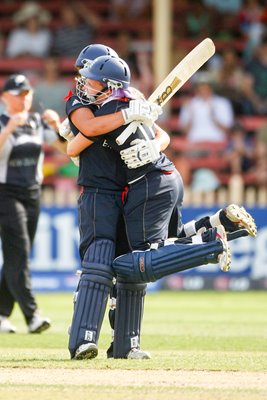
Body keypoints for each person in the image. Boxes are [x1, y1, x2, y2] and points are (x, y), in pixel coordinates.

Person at [65, 55, 257, 360]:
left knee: (132, 263)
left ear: (110, 85)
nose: (84, 83)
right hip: (163, 179)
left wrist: (149, 133)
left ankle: (211, 245)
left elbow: (161, 135)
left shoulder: (129, 102)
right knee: (162, 244)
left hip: (146, 184)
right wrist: (130, 115)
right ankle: (220, 223)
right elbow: (75, 142)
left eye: (91, 79)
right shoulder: (100, 106)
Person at [0, 74, 67, 334]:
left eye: (27, 93)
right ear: (5, 97)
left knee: (18, 255)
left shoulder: (37, 122)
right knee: (20, 254)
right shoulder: (3, 121)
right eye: (18, 94)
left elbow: (67, 149)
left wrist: (59, 125)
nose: (24, 98)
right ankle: (32, 316)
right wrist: (8, 129)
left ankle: (2, 313)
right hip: (6, 194)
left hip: (32, 193)